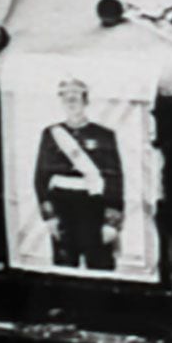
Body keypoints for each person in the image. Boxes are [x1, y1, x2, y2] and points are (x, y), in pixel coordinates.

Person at [34, 76, 124, 270]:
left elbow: (114, 178)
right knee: (65, 263)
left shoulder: (104, 135)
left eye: (75, 97)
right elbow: (41, 177)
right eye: (66, 98)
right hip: (62, 204)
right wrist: (49, 216)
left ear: (86, 100)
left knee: (99, 262)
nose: (71, 102)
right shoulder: (51, 134)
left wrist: (111, 222)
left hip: (93, 205)